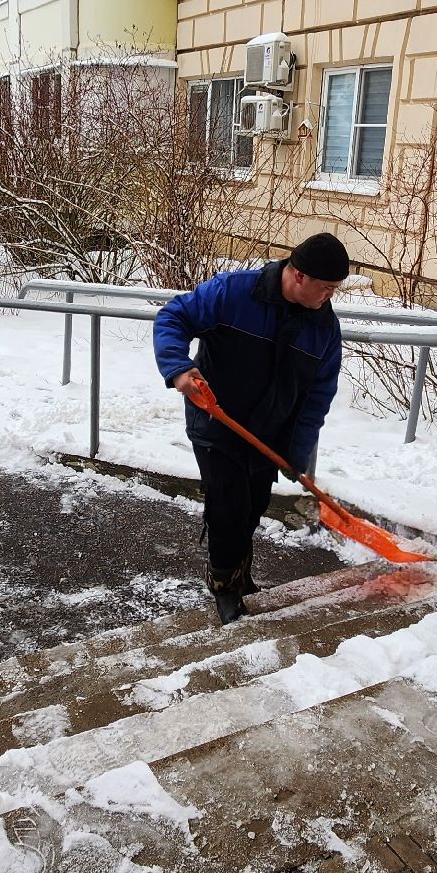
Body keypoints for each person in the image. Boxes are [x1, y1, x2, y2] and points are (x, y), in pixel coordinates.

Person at [153, 233, 349, 623]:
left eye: (335, 290)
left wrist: (297, 451)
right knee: (229, 505)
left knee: (253, 506)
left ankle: (239, 574)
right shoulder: (234, 292)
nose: (330, 296)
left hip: (267, 434)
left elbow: (317, 396)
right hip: (216, 419)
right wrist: (178, 369)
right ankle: (224, 586)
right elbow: (173, 316)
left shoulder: (324, 330)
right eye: (325, 287)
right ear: (297, 275)